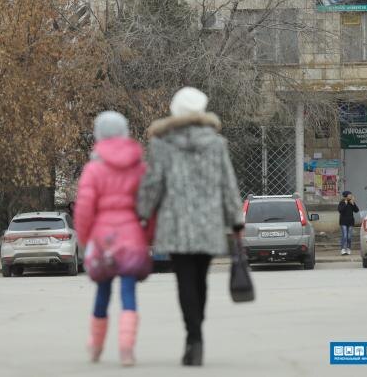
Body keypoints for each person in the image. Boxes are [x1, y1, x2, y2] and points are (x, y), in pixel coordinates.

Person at [137, 87, 245, 366]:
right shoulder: (217, 144)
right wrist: (236, 220)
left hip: (176, 224)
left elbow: (153, 183)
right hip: (209, 223)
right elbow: (228, 184)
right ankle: (197, 333)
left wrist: (142, 213)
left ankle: (193, 337)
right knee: (201, 280)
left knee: (184, 280)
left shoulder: (162, 144)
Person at [74, 111, 152, 367]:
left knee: (102, 291)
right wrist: (147, 235)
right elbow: (149, 205)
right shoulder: (138, 167)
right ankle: (127, 349)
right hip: (131, 235)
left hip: (102, 239)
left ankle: (95, 346)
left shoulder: (93, 169)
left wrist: (84, 239)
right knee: (129, 293)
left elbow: (84, 208)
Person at [338, 191, 358, 256]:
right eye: (349, 195)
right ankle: (343, 249)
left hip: (350, 222)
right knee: (344, 236)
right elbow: (340, 210)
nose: (351, 196)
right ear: (346, 195)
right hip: (343, 222)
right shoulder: (342, 202)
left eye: (351, 195)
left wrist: (353, 204)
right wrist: (345, 204)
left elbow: (356, 210)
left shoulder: (351, 202)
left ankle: (348, 248)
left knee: (349, 237)